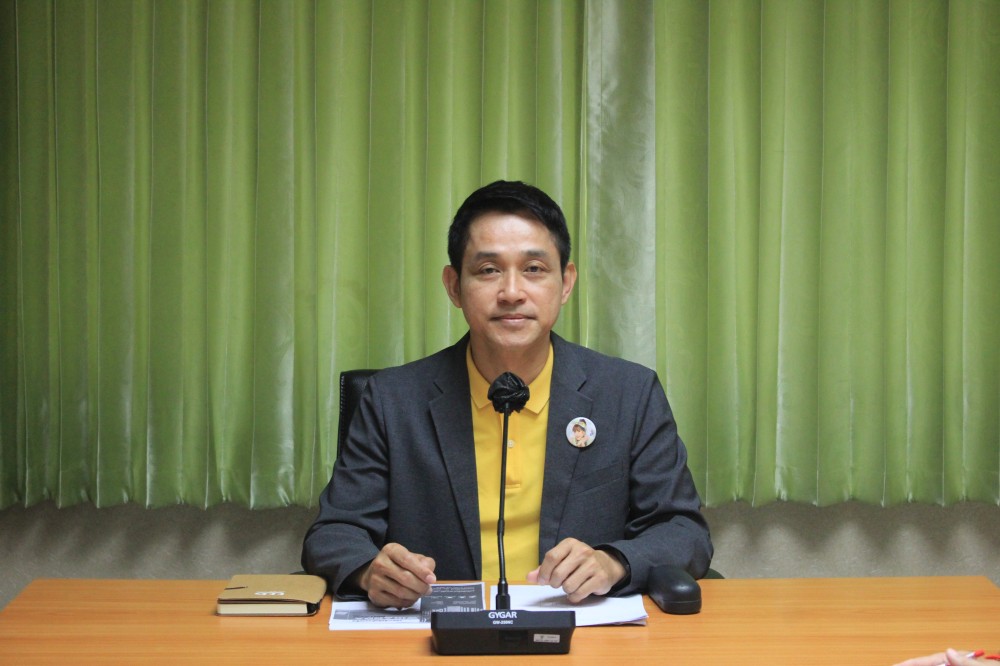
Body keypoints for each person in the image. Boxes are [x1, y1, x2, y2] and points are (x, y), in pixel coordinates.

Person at [302, 180, 713, 608]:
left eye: (534, 269)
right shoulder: (392, 400)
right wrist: (370, 571)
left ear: (566, 283)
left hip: (581, 630)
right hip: (439, 633)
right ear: (454, 286)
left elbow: (683, 530)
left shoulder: (628, 394)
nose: (512, 293)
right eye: (488, 270)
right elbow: (334, 532)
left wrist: (614, 562)